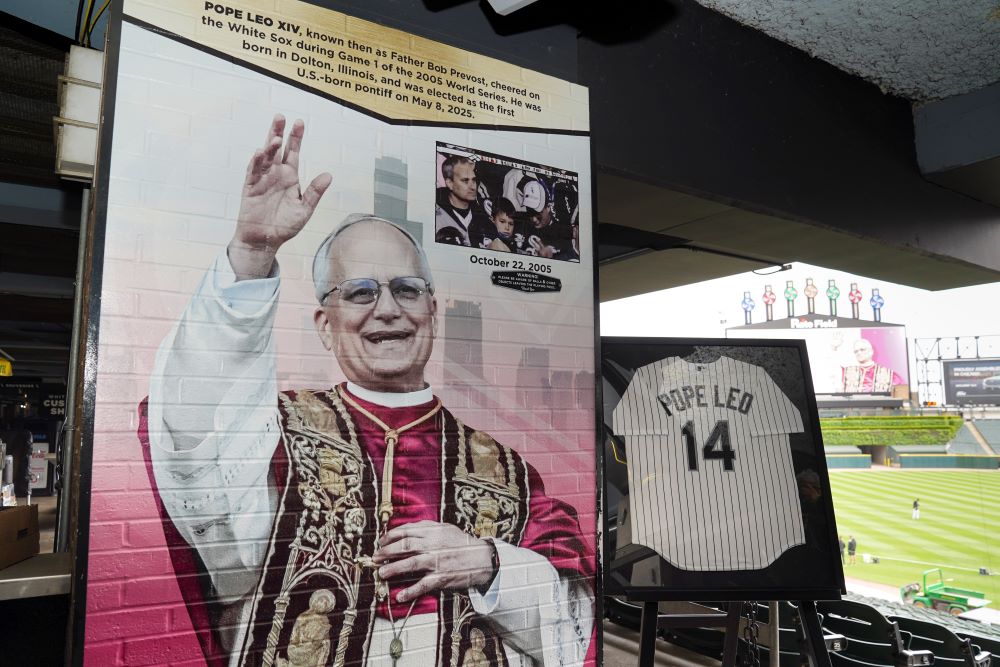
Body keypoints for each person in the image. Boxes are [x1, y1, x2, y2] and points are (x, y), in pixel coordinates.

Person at [142, 115, 594, 666]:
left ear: (432, 310)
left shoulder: (506, 470)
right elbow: (199, 448)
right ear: (324, 325)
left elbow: (569, 626)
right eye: (358, 292)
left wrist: (490, 564)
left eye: (407, 289)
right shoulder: (273, 436)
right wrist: (252, 252)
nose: (387, 308)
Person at [434, 155, 488, 246]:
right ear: (449, 183)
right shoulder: (435, 213)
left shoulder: (483, 215)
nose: (473, 187)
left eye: (474, 180)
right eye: (465, 181)